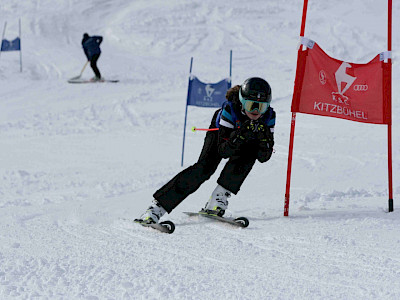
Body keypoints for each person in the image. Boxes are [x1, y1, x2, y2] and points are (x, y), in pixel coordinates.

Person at [136, 77, 276, 224]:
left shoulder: (269, 117)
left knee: (248, 155)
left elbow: (263, 157)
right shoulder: (230, 110)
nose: (255, 111)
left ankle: (218, 199)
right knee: (204, 168)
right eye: (250, 105)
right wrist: (240, 135)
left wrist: (262, 138)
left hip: (241, 137)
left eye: (261, 107)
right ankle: (155, 209)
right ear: (242, 102)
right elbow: (223, 151)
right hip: (220, 134)